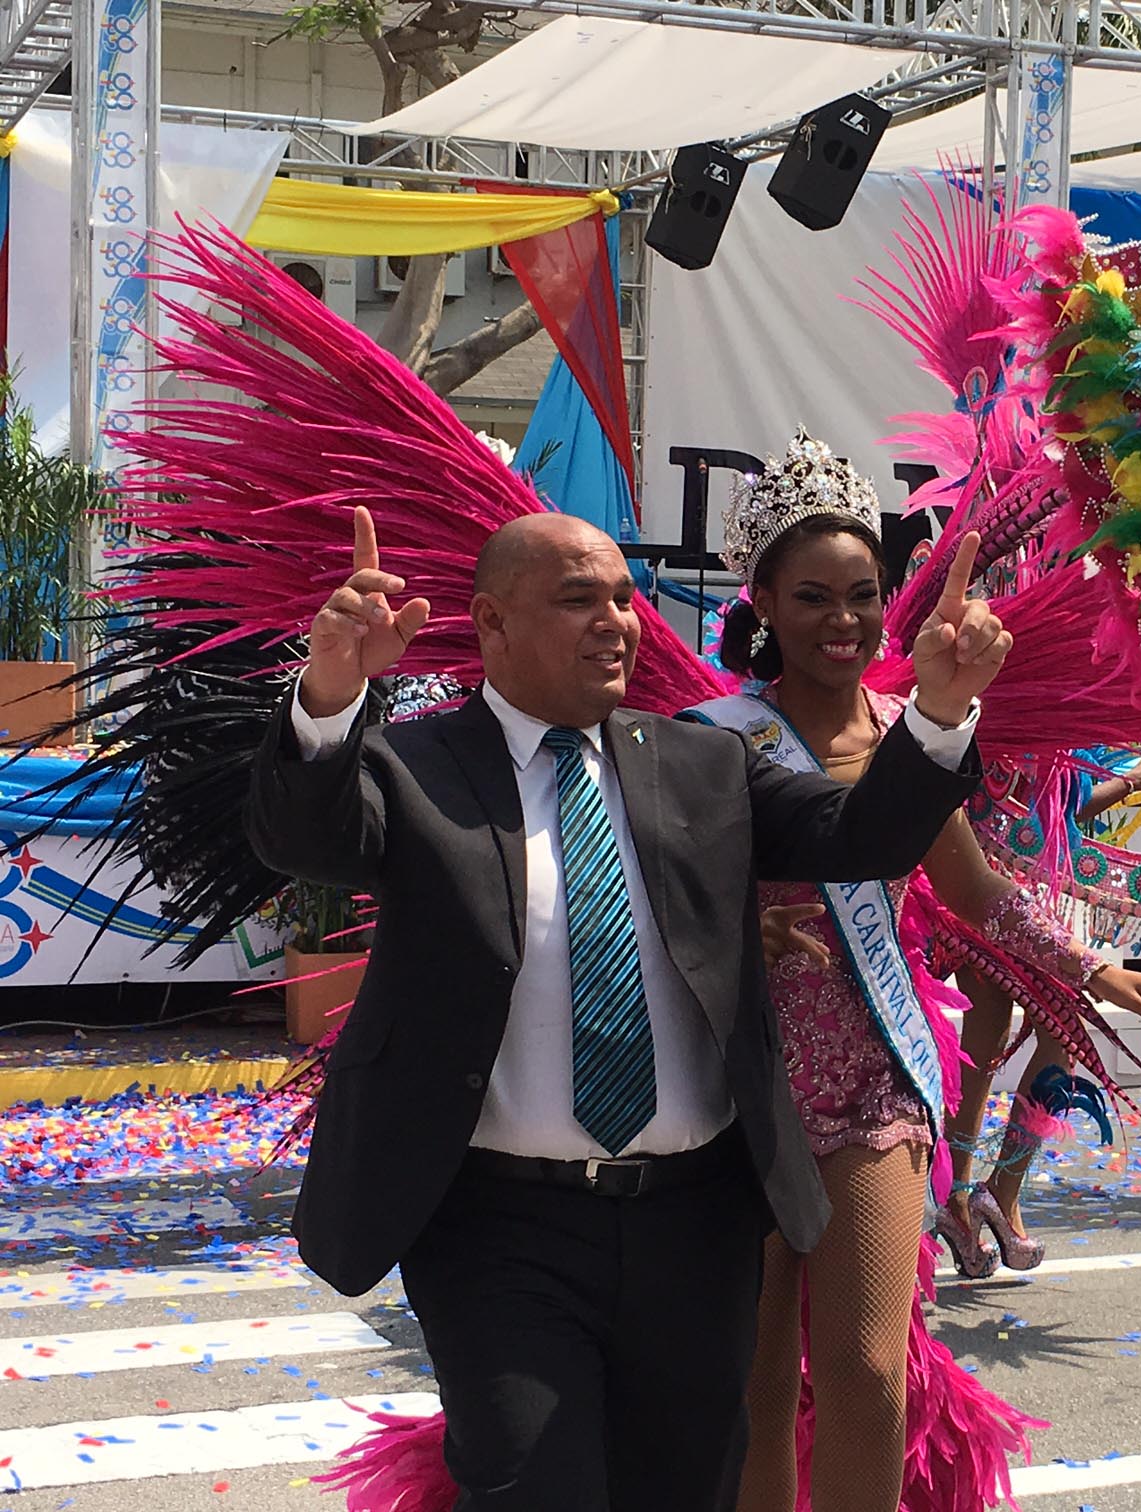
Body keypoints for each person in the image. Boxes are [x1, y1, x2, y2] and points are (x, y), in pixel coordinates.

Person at [246, 501, 1007, 1512]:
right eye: (576, 599)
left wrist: (940, 712)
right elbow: (306, 837)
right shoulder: (417, 766)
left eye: (623, 597)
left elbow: (858, 836)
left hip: (694, 1223)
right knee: (535, 1482)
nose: (616, 621)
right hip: (499, 1229)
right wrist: (333, 692)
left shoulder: (700, 764)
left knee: (687, 1488)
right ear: (491, 624)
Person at [701, 435, 1141, 1511]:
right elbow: (666, 904)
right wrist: (744, 939)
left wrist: (1095, 969)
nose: (844, 620)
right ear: (762, 603)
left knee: (869, 1372)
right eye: (813, 597)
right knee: (747, 1393)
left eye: (862, 595)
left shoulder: (911, 731)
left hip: (870, 1082)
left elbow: (978, 894)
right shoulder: (707, 742)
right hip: (739, 1089)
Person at [936, 754, 1141, 1278]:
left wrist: (1132, 782)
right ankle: (1001, 1192)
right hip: (994, 894)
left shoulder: (1039, 722)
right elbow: (1023, 814)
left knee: (986, 1029)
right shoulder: (1010, 717)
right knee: (1063, 1031)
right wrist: (1133, 781)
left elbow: (1064, 806)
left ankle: (956, 1197)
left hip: (983, 891)